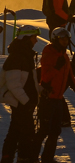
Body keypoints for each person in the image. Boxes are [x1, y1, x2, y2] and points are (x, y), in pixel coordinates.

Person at [36, 27, 75, 163]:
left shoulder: (63, 55)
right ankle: (30, 157)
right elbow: (45, 78)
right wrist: (56, 67)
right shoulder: (49, 54)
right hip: (48, 98)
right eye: (62, 39)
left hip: (58, 99)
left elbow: (70, 76)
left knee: (55, 131)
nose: (65, 41)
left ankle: (47, 158)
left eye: (66, 39)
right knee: (44, 130)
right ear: (55, 39)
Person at [1, 26, 42, 163]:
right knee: (22, 133)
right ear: (26, 39)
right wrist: (27, 101)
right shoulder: (17, 56)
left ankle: (15, 158)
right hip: (20, 103)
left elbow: (28, 81)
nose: (36, 41)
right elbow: (14, 84)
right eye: (34, 38)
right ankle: (21, 158)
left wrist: (41, 90)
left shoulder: (25, 54)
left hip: (24, 102)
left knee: (19, 132)